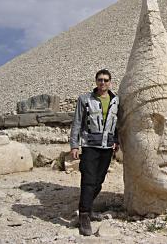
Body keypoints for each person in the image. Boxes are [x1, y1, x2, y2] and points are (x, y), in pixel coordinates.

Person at [70, 68, 119, 236]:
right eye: (100, 80)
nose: (103, 83)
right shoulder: (85, 99)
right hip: (90, 146)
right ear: (96, 81)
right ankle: (84, 215)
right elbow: (77, 123)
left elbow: (117, 123)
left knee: (99, 181)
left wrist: (117, 141)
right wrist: (74, 145)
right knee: (88, 180)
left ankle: (88, 209)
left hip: (107, 147)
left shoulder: (116, 100)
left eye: (106, 80)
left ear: (110, 82)